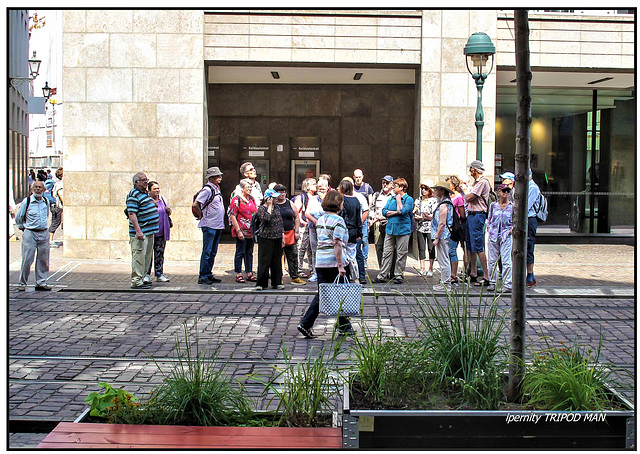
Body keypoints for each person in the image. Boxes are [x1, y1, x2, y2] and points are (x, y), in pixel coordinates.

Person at [297, 190, 356, 338]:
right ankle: (306, 323)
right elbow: (337, 243)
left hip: (321, 262)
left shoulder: (321, 219)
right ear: (338, 203)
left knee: (325, 294)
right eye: (341, 202)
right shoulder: (339, 221)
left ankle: (343, 326)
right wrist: (341, 265)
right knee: (338, 294)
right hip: (334, 264)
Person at [373, 177, 414, 284]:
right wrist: (395, 212)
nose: (393, 188)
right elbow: (384, 211)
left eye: (395, 186)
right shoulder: (391, 198)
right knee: (387, 252)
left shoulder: (408, 199)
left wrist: (399, 201)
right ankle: (383, 275)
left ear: (401, 187)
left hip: (403, 230)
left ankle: (398, 275)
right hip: (390, 229)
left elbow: (403, 211)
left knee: (401, 253)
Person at [15, 181, 52, 291]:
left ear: (44, 189)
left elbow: (46, 215)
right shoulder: (27, 201)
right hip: (30, 233)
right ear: (32, 189)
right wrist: (24, 228)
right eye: (36, 187)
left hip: (43, 233)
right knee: (27, 259)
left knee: (43, 259)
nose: (38, 189)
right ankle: (22, 283)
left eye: (40, 187)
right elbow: (19, 218)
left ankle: (41, 282)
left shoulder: (45, 201)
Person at [126, 172, 159, 289]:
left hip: (149, 230)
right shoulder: (133, 194)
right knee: (139, 256)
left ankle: (143, 278)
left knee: (146, 256)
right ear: (136, 182)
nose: (146, 182)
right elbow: (132, 213)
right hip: (141, 232)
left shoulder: (144, 194)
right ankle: (136, 281)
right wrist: (138, 231)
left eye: (146, 179)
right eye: (143, 180)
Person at [192, 167, 225, 285]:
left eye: (220, 176)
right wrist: (201, 215)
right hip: (209, 224)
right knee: (207, 250)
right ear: (210, 178)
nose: (219, 178)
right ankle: (203, 275)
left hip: (217, 225)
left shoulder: (216, 188)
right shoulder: (207, 189)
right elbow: (196, 204)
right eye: (217, 176)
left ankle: (208, 273)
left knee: (213, 251)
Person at [464, 160, 491, 287]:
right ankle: (473, 273)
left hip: (478, 215)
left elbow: (469, 198)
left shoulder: (482, 182)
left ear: (475, 169)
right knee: (471, 246)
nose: (470, 172)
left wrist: (464, 191)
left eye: (471, 169)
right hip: (472, 215)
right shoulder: (476, 183)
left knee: (478, 245)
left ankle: (486, 276)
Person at [274, 184, 305, 285]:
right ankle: (278, 277)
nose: (282, 194)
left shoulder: (289, 203)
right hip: (277, 234)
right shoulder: (273, 204)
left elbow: (296, 217)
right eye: (279, 192)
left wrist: (296, 231)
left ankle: (294, 277)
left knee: (293, 255)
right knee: (277, 256)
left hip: (290, 233)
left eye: (283, 191)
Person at [229, 178, 258, 284]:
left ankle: (249, 272)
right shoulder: (236, 199)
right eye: (247, 187)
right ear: (242, 188)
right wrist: (238, 231)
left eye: (251, 187)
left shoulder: (252, 199)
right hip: (241, 230)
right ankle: (238, 273)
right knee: (240, 252)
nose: (249, 189)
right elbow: (233, 215)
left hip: (250, 230)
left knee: (249, 252)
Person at [255, 188, 285, 290]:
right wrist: (269, 206)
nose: (277, 199)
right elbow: (266, 219)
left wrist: (283, 235)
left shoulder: (277, 208)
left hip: (277, 237)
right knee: (264, 261)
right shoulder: (262, 209)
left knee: (276, 261)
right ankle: (261, 283)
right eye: (274, 198)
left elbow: (280, 222)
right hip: (266, 237)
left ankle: (276, 282)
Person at [487, 184, 513, 292]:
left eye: (507, 191)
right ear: (499, 192)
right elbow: (489, 218)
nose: (506, 193)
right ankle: (492, 282)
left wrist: (511, 231)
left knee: (506, 260)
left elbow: (515, 221)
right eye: (503, 191)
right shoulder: (493, 205)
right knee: (492, 260)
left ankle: (507, 284)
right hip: (493, 235)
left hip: (506, 235)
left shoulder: (512, 206)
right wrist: (489, 228)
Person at [145, 181, 172, 283]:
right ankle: (146, 274)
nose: (157, 191)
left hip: (161, 231)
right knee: (148, 254)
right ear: (149, 191)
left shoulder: (163, 199)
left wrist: (168, 210)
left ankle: (159, 274)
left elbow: (168, 212)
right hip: (150, 231)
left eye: (158, 188)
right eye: (154, 189)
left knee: (159, 253)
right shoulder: (147, 201)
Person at [337, 179, 363, 282]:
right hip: (353, 231)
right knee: (352, 256)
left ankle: (344, 276)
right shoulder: (356, 200)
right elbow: (358, 218)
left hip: (343, 231)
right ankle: (356, 277)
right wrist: (359, 233)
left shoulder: (341, 199)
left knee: (341, 255)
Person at [369, 175, 396, 272]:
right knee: (379, 246)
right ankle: (383, 270)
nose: (384, 184)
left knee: (392, 247)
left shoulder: (395, 196)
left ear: (392, 184)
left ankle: (392, 271)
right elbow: (371, 208)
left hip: (391, 223)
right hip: (378, 223)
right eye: (383, 182)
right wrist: (372, 216)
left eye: (387, 183)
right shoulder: (376, 195)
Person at [431, 181, 454, 291]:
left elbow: (442, 223)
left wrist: (437, 238)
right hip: (443, 236)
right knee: (443, 259)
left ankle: (446, 284)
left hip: (443, 236)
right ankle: (444, 282)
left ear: (442, 191)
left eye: (437, 189)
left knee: (443, 259)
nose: (435, 191)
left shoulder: (444, 204)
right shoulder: (444, 203)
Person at [305, 178, 329, 283]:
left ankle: (325, 273)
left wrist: (324, 199)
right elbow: (307, 213)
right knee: (315, 250)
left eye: (323, 189)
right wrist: (315, 221)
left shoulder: (330, 198)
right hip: (313, 228)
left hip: (326, 229)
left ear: (327, 188)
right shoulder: (313, 199)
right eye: (320, 189)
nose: (321, 191)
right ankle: (315, 272)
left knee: (325, 250)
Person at [414, 180, 438, 277]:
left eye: (426, 188)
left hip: (430, 227)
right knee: (421, 247)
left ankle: (431, 267)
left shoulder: (434, 200)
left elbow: (434, 214)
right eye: (422, 188)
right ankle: (422, 267)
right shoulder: (419, 199)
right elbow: (415, 209)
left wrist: (424, 217)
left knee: (431, 247)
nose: (423, 190)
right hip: (420, 226)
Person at [446, 175, 467, 285]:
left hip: (455, 226)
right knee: (448, 250)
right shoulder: (448, 196)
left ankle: (453, 274)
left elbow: (462, 214)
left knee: (452, 250)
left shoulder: (458, 197)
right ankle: (449, 272)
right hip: (447, 226)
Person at [294, 178, 316, 278]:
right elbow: (295, 212)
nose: (316, 186)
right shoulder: (301, 197)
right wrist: (302, 222)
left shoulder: (315, 197)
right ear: (307, 186)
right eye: (313, 184)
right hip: (303, 227)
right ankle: (298, 269)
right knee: (301, 248)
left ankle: (312, 269)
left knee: (311, 249)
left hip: (311, 227)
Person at [353, 169, 373, 269]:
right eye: (356, 177)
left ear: (363, 176)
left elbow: (370, 202)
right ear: (353, 177)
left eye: (359, 177)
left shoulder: (367, 187)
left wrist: (368, 215)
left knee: (364, 239)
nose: (358, 179)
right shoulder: (351, 187)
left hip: (363, 217)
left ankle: (364, 260)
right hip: (353, 217)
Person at [527, 169, 542, 287]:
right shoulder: (525, 186)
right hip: (525, 219)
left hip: (529, 219)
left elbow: (526, 205)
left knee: (529, 246)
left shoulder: (532, 188)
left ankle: (530, 275)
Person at [49, 168, 64, 247]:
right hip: (57, 207)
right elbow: (61, 195)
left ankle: (49, 239)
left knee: (55, 222)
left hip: (55, 206)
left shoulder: (58, 183)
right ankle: (49, 240)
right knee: (55, 223)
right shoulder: (60, 184)